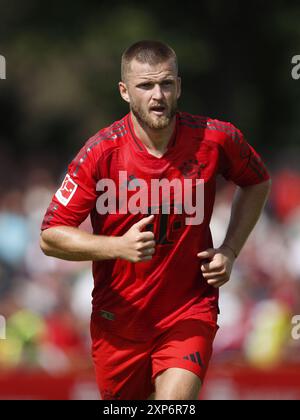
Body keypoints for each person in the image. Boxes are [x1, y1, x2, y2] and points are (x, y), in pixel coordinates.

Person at [40, 40, 271, 400]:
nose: (157, 95)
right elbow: (50, 235)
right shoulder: (100, 153)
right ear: (124, 91)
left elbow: (257, 181)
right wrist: (117, 246)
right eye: (145, 86)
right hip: (118, 323)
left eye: (165, 84)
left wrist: (230, 249)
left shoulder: (216, 138)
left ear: (178, 86)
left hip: (189, 311)